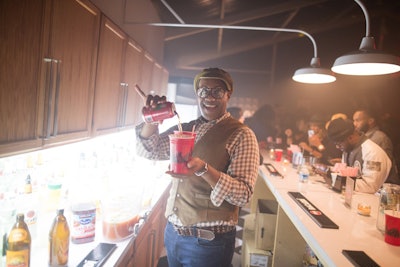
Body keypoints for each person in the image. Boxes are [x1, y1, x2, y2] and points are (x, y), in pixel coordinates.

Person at [135, 68, 260, 267]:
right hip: (173, 235)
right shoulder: (185, 128)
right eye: (203, 91)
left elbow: (243, 195)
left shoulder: (242, 135)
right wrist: (152, 119)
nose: (209, 97)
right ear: (197, 94)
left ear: (228, 94)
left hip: (208, 243)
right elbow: (149, 151)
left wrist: (204, 169)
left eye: (217, 91)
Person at [327, 118, 393, 193]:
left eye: (338, 144)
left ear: (350, 137)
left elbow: (370, 186)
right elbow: (344, 175)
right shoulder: (347, 150)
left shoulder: (372, 152)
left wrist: (338, 180)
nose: (337, 147)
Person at [352, 108, 399, 184]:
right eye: (353, 120)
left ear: (370, 121)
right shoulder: (362, 138)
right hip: (369, 182)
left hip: (383, 186)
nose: (354, 124)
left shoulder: (380, 138)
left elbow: (384, 167)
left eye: (358, 120)